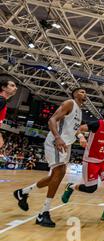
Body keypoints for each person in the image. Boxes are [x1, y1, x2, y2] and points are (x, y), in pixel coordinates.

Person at [13, 88, 85, 227]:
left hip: (66, 145)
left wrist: (81, 137)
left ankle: (23, 192)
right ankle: (43, 213)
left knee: (56, 177)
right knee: (58, 174)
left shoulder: (79, 111)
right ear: (75, 94)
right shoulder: (70, 103)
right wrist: (57, 137)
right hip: (57, 142)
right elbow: (52, 119)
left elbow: (74, 129)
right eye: (81, 91)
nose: (84, 93)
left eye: (85, 92)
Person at [60, 108, 104, 223]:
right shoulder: (97, 124)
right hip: (91, 160)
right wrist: (81, 137)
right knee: (91, 189)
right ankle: (71, 186)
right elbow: (78, 128)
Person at [0, 79, 18, 148]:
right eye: (12, 85)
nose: (16, 88)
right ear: (3, 87)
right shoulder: (1, 100)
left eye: (15, 86)